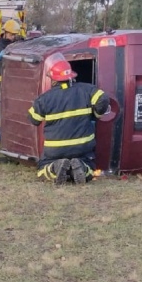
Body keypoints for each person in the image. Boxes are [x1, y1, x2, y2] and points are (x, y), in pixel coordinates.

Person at [28, 54, 110, 184]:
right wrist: (96, 115)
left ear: (53, 79)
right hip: (82, 146)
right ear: (71, 76)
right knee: (90, 166)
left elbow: (33, 119)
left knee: (42, 168)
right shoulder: (87, 90)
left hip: (55, 149)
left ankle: (55, 167)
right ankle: (81, 167)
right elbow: (103, 99)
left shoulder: (44, 99)